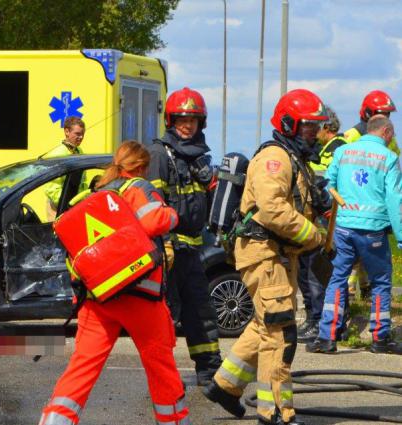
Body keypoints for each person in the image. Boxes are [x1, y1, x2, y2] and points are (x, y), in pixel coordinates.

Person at [39, 141, 188, 425]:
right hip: (139, 295)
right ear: (142, 166)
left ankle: (54, 422)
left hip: (98, 298)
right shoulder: (139, 188)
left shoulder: (96, 193)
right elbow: (154, 221)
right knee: (160, 366)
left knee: (82, 368)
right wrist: (172, 214)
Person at [203, 89, 327, 425]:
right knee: (280, 332)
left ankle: (225, 385)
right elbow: (273, 210)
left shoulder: (292, 159)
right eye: (306, 129)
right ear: (288, 125)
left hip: (277, 255)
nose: (312, 135)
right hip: (265, 254)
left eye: (315, 129)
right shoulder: (275, 158)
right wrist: (313, 236)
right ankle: (275, 412)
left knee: (264, 324)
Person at [146, 87, 222, 386]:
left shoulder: (201, 159)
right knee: (162, 317)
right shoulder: (158, 155)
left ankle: (209, 369)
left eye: (193, 120)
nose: (187, 125)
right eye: (181, 119)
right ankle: (160, 373)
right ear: (170, 120)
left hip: (191, 251)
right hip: (165, 249)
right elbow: (152, 205)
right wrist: (162, 242)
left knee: (201, 311)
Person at [308, 115, 402, 355]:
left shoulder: (344, 152)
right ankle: (380, 339)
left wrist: (335, 209)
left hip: (343, 229)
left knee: (337, 279)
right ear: (387, 132)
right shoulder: (389, 159)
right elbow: (395, 201)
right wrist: (400, 237)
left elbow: (327, 184)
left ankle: (327, 338)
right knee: (380, 283)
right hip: (373, 233)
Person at [342, 90, 398, 301]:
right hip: (356, 202)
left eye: (387, 114)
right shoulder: (351, 137)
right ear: (366, 114)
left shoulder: (388, 138)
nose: (386, 118)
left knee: (369, 252)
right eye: (381, 113)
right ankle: (350, 294)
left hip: (378, 201)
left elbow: (394, 164)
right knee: (354, 253)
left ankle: (364, 292)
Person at [297, 108, 346, 343]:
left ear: (328, 128)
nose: (316, 132)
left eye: (319, 127)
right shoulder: (319, 148)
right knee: (306, 272)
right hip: (314, 217)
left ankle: (321, 320)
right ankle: (312, 317)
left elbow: (328, 182)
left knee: (319, 272)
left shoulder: (337, 147)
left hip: (327, 219)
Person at [42, 116, 85, 220]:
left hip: (74, 206)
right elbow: (51, 187)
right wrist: (67, 203)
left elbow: (83, 180)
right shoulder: (58, 154)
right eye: (77, 134)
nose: (81, 137)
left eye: (83, 134)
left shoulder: (79, 151)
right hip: (59, 208)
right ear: (67, 132)